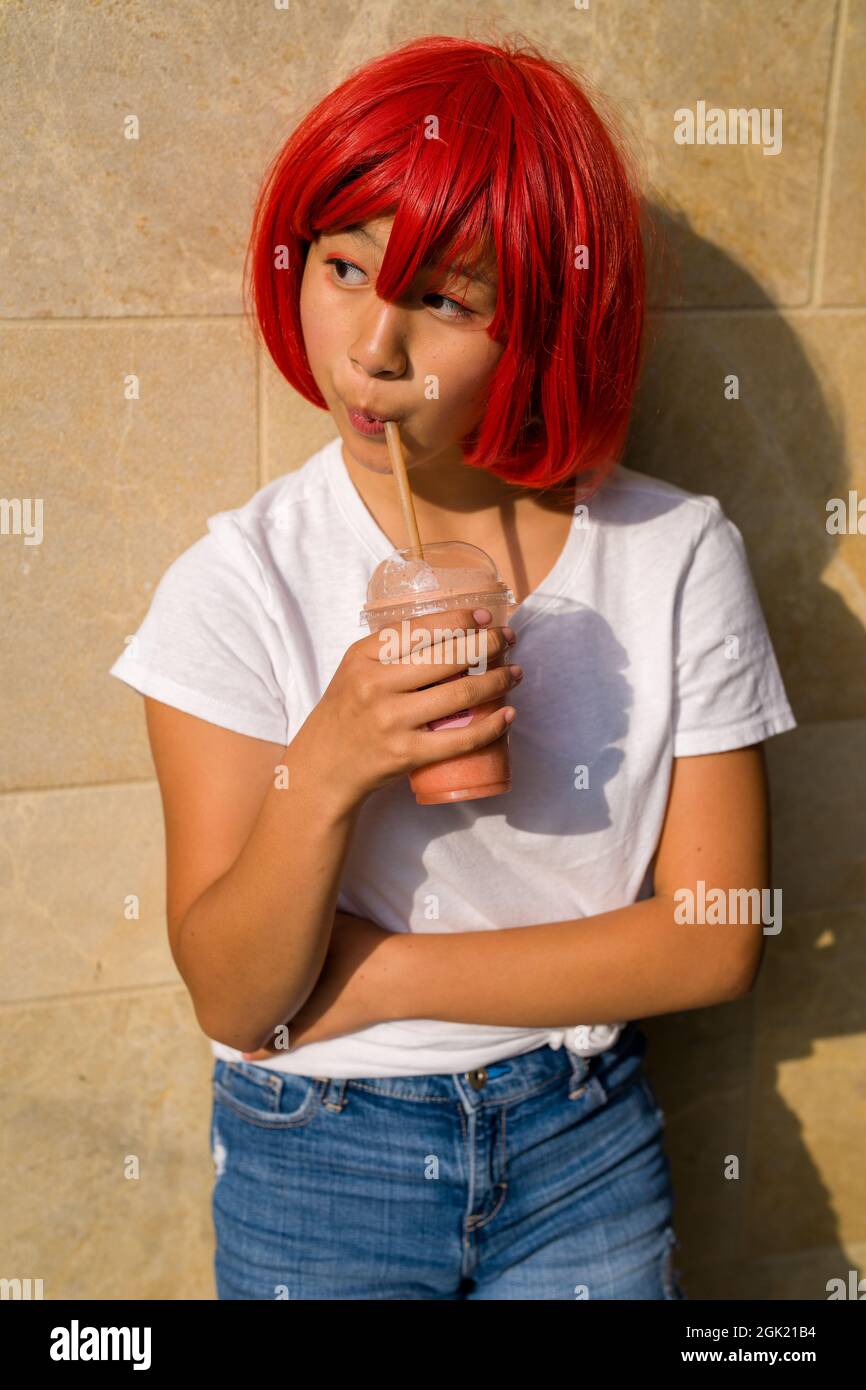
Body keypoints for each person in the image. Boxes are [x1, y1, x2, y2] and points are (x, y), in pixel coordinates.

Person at [108, 35, 797, 1300]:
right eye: (343, 268)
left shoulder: (672, 555)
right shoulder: (239, 583)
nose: (370, 347)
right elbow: (235, 992)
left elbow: (711, 939)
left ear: (545, 318)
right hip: (318, 1150)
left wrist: (368, 974)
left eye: (445, 299)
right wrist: (326, 770)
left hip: (578, 1132)